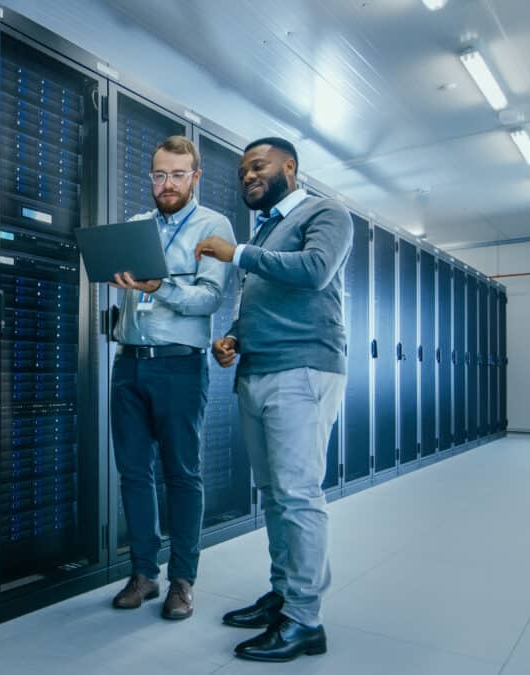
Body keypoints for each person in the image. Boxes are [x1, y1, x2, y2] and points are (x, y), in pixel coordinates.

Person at [195, 137, 352, 661]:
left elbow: (314, 271)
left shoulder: (325, 212)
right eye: (241, 172)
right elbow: (257, 299)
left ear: (290, 166)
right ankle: (285, 595)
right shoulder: (264, 231)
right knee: (274, 493)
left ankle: (306, 620)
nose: (247, 177)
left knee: (298, 494)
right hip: (258, 370)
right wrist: (233, 336)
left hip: (302, 369)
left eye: (256, 167)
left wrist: (236, 252)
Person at [108, 135, 235, 621]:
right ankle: (144, 573)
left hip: (180, 364)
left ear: (195, 177)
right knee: (133, 472)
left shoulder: (212, 226)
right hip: (130, 361)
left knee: (182, 474)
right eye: (159, 174)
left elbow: (208, 299)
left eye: (178, 174)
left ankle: (182, 579)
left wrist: (160, 288)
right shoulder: (137, 227)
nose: (167, 184)